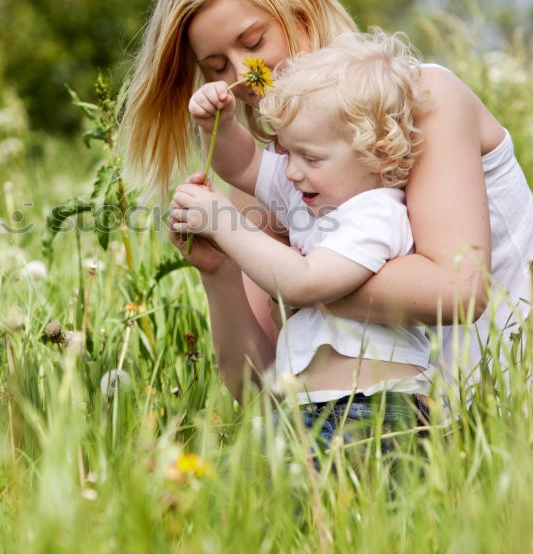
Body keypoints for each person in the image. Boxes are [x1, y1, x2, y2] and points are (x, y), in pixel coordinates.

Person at [119, 0, 533, 426]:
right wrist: (220, 272)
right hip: (353, 437)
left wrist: (291, 270)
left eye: (254, 40)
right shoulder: (275, 176)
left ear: (301, 12)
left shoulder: (420, 102)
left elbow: (459, 292)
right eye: (217, 65)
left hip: (507, 416)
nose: (242, 75)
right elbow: (265, 389)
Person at [172, 30, 433, 416]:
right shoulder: (312, 192)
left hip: (376, 408)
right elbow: (243, 165)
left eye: (309, 158)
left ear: (378, 156)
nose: (291, 172)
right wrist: (219, 127)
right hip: (310, 409)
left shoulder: (377, 213)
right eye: (287, 153)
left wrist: (223, 223)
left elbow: (303, 283)